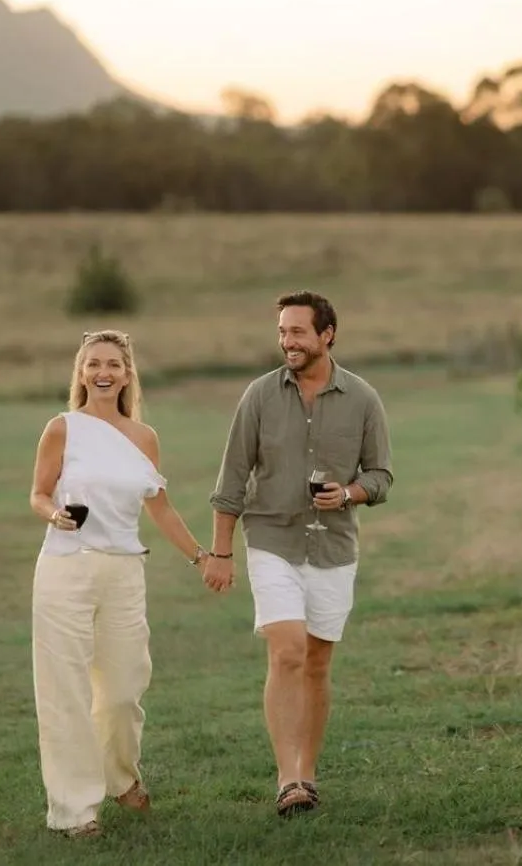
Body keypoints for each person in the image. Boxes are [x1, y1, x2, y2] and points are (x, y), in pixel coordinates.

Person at [201, 291, 393, 818]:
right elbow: (231, 480)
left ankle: (308, 771)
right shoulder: (259, 397)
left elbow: (380, 474)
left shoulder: (362, 398)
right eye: (283, 332)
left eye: (298, 332)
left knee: (316, 663)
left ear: (327, 334)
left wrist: (350, 494)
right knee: (286, 651)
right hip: (272, 540)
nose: (287, 341)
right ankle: (287, 780)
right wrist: (220, 553)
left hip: (334, 546)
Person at [27, 329, 214, 838]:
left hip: (125, 571)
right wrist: (55, 514)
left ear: (128, 373)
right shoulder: (62, 428)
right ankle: (75, 810)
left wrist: (202, 556)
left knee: (124, 688)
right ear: (81, 372)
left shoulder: (144, 437)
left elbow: (161, 507)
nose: (103, 373)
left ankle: (120, 777)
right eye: (93, 364)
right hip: (67, 567)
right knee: (64, 689)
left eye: (113, 364)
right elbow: (39, 494)